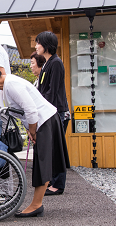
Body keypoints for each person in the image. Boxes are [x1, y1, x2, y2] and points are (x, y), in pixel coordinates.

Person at [0, 62, 70, 218]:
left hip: (45, 121)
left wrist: (33, 131)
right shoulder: (7, 86)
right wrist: (31, 129)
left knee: (42, 164)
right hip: (44, 122)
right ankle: (37, 204)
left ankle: (36, 205)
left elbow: (30, 109)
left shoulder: (12, 85)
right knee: (42, 163)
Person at [35, 31, 71, 196]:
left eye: (38, 43)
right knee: (52, 148)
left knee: (57, 148)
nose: (36, 46)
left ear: (46, 45)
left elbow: (52, 91)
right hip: (49, 110)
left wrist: (41, 107)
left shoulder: (56, 63)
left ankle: (58, 184)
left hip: (56, 110)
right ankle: (53, 182)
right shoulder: (48, 63)